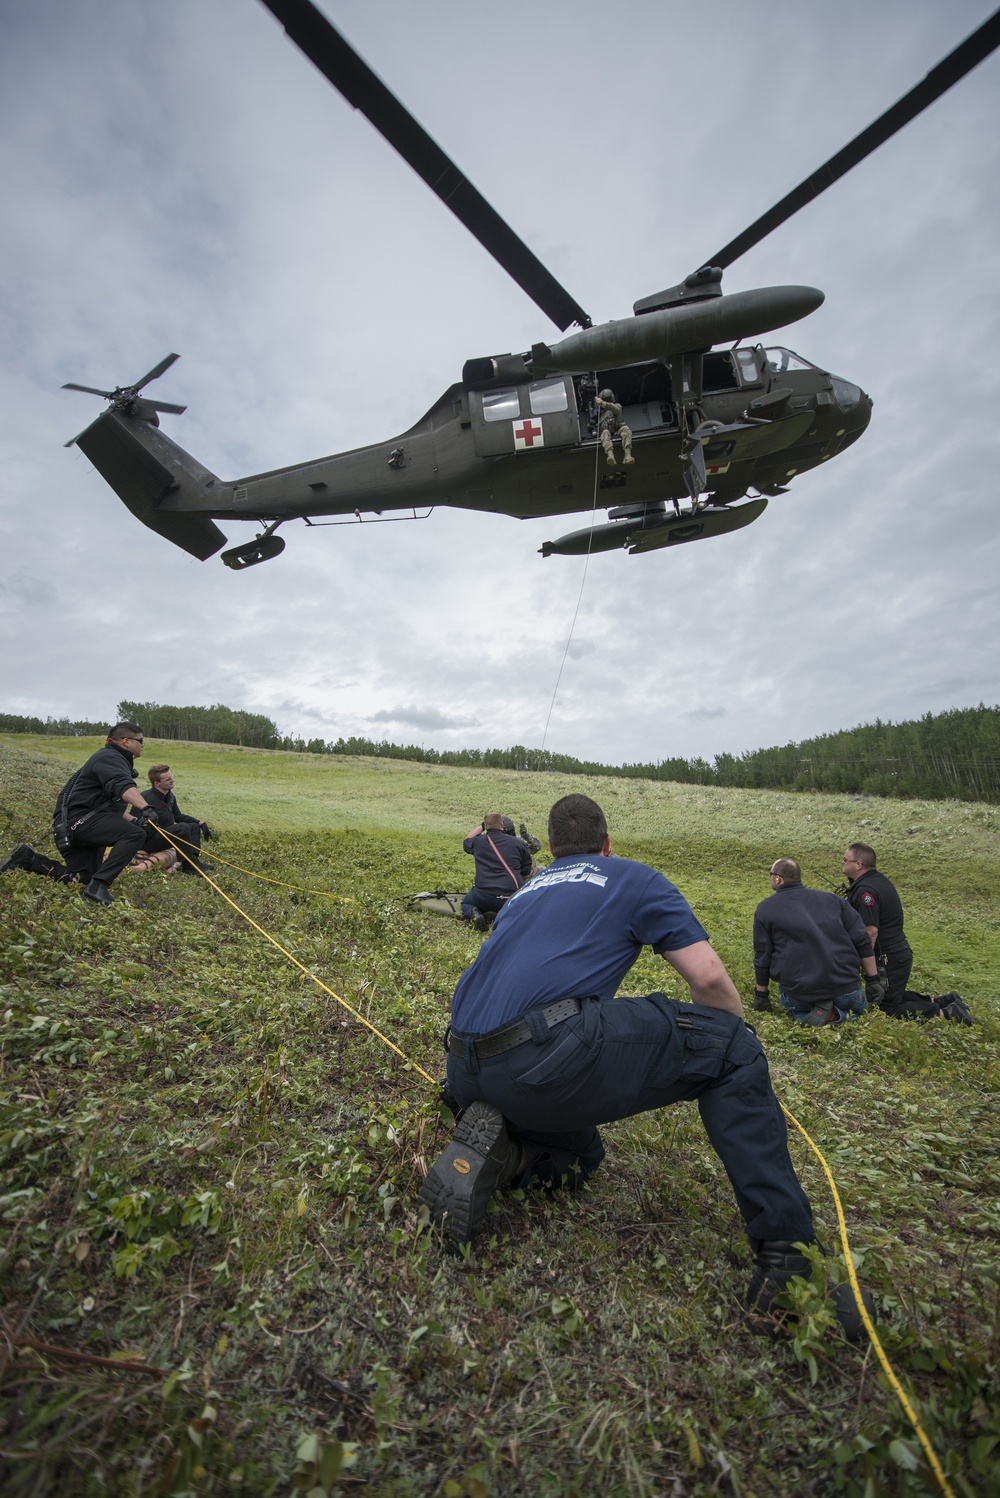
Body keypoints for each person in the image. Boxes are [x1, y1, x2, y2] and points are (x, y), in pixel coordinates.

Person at [420, 794, 871, 1336]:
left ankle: (511, 1155)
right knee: (733, 1047)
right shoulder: (632, 877)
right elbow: (707, 981)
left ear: (553, 848)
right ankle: (790, 1263)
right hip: (540, 1058)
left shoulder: (525, 892)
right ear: (607, 845)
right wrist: (734, 1038)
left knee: (581, 1156)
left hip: (464, 1067)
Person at [0, 722, 157, 905]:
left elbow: (106, 805)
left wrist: (135, 819)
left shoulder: (111, 759)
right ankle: (99, 886)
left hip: (76, 825)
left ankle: (29, 859)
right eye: (141, 740)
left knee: (81, 880)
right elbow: (122, 785)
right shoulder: (110, 757)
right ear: (126, 741)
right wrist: (146, 808)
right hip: (80, 822)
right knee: (134, 834)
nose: (142, 745)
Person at [753, 858, 884, 1025]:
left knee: (800, 1013)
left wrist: (761, 994)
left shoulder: (766, 909)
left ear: (778, 878)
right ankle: (839, 1015)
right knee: (859, 1017)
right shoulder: (834, 900)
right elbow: (862, 939)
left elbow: (762, 955)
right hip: (847, 988)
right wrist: (873, 979)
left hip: (801, 992)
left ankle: (826, 1016)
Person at [841, 844, 912, 1011]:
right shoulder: (876, 880)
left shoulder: (866, 891)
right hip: (896, 954)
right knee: (891, 997)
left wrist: (862, 963)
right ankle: (941, 1002)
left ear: (858, 864)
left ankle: (945, 1012)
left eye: (845, 860)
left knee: (887, 1008)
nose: (842, 863)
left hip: (889, 957)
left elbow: (870, 931)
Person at [460, 813, 532, 930]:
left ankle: (475, 915)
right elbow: (526, 872)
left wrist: (483, 826)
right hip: (511, 898)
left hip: (483, 895)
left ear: (485, 826)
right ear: (502, 824)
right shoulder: (518, 843)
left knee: (466, 904)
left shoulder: (478, 842)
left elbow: (466, 840)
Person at [142, 764, 215, 874]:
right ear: (157, 783)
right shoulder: (146, 798)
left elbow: (178, 816)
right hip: (149, 840)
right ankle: (188, 865)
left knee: (193, 827)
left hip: (165, 835)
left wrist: (200, 823)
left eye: (171, 776)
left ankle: (194, 861)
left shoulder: (170, 796)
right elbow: (136, 823)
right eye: (168, 779)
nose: (173, 780)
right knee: (182, 828)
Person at [594, 389, 634, 467]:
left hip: (618, 429)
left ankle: (627, 456)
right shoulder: (600, 415)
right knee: (605, 433)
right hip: (608, 431)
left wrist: (603, 403)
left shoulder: (617, 406)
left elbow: (615, 409)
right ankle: (610, 455)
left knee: (626, 430)